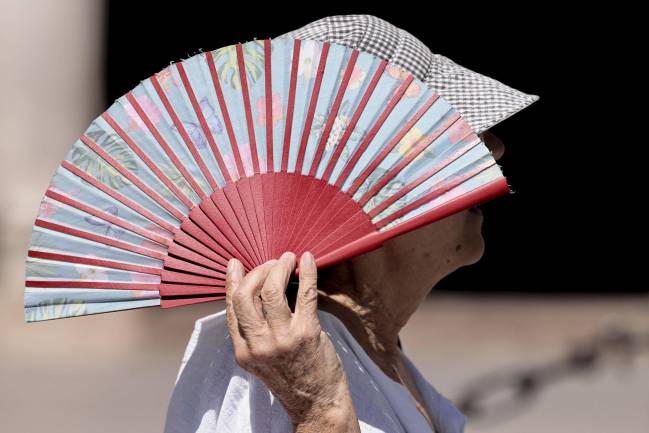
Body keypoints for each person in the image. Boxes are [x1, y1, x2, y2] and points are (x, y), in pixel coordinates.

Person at [164, 15, 537, 433]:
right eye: (452, 138)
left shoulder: (369, 352)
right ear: (368, 190)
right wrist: (319, 411)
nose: (495, 148)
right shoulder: (266, 366)